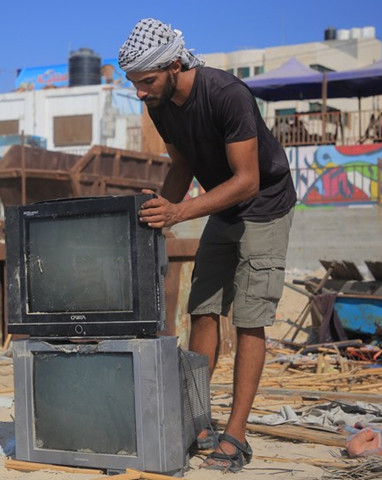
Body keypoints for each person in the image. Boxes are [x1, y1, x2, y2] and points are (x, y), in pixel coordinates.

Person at [118, 18, 296, 473]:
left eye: (147, 81)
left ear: (175, 64)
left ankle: (236, 436)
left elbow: (248, 180)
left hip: (264, 204)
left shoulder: (226, 94)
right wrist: (158, 214)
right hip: (223, 204)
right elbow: (181, 167)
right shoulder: (159, 102)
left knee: (251, 319)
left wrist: (180, 213)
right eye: (134, 83)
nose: (140, 91)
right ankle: (197, 421)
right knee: (204, 307)